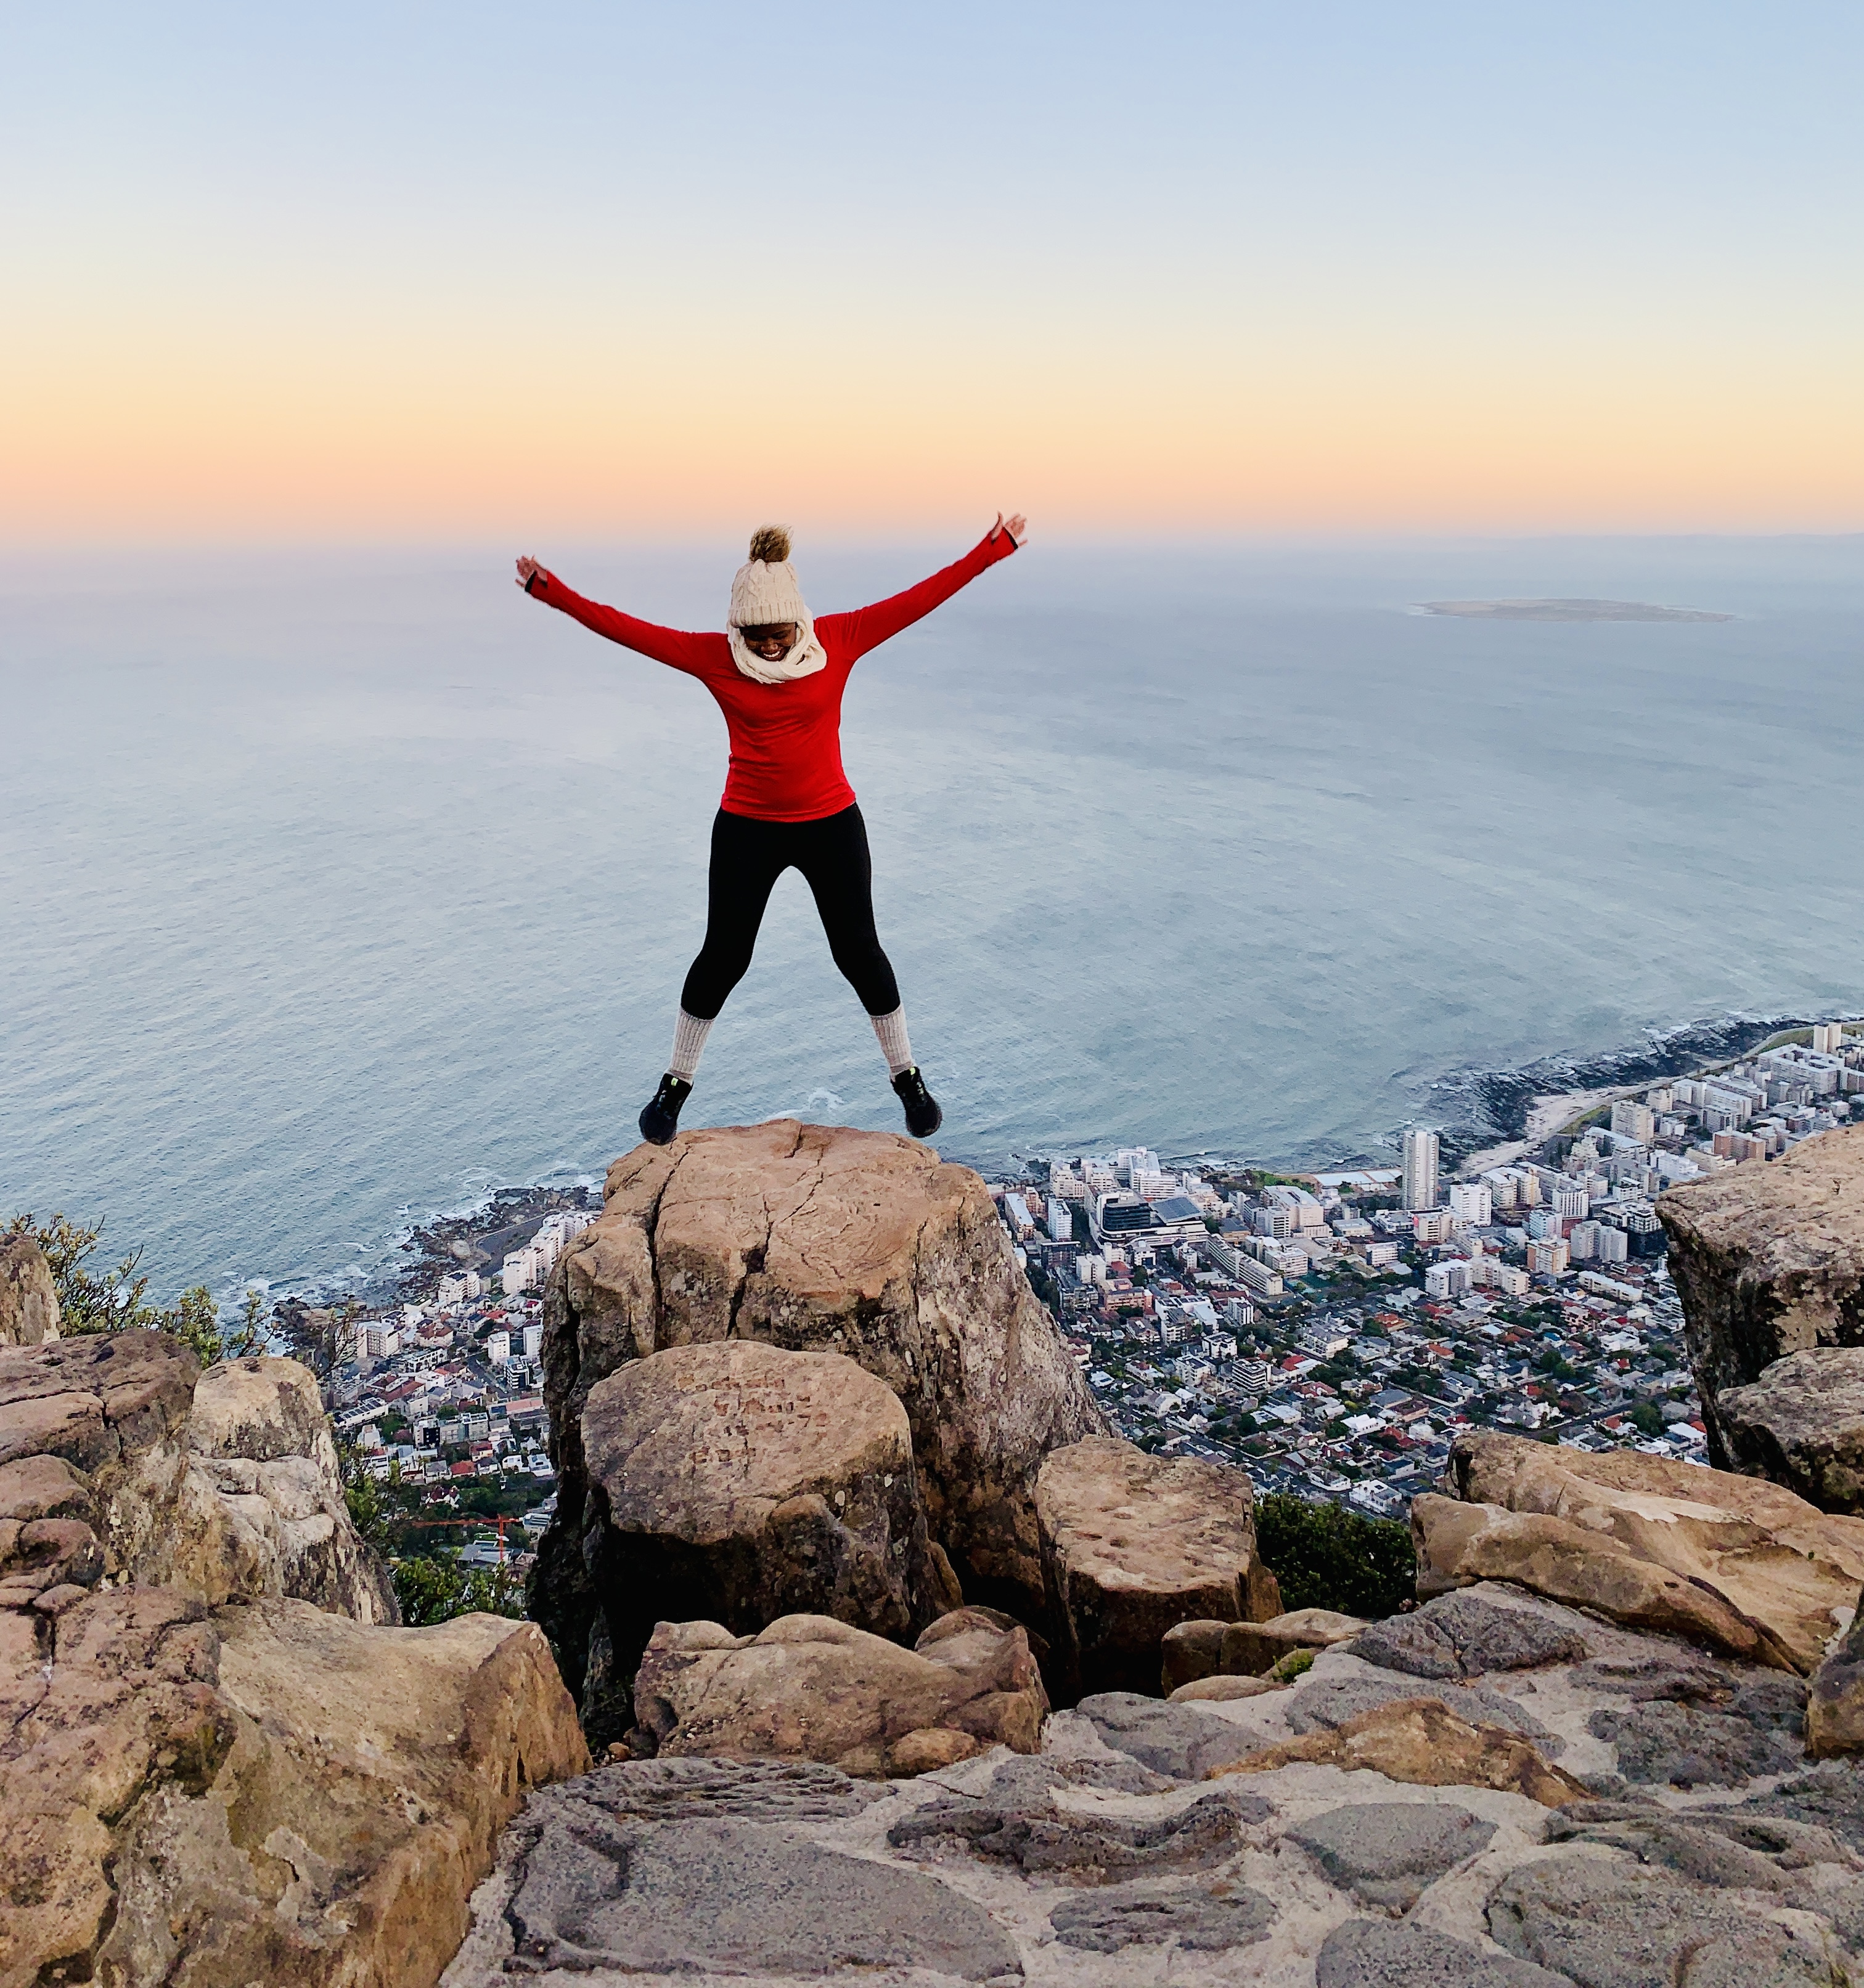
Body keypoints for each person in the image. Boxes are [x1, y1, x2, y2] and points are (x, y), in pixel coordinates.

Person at [515, 514, 1028, 1146]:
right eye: (755, 636)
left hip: (830, 823)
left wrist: (993, 549)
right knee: (725, 956)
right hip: (747, 826)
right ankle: (674, 1086)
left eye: (777, 633)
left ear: (798, 620)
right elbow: (629, 631)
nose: (767, 647)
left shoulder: (840, 639)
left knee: (858, 952)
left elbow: (920, 598)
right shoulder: (716, 657)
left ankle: (908, 1080)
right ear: (739, 628)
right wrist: (551, 589)